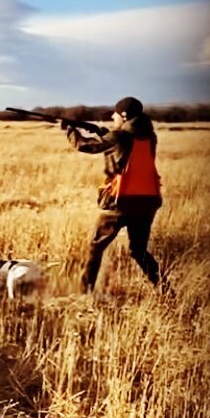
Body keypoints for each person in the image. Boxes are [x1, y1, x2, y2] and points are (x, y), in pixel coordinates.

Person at [62, 96, 164, 294]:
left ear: (124, 116)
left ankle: (85, 293)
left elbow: (86, 146)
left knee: (95, 246)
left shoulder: (119, 137)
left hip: (122, 203)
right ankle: (165, 289)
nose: (112, 116)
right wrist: (105, 133)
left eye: (115, 114)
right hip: (148, 201)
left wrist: (70, 130)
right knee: (138, 251)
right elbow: (126, 147)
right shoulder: (149, 136)